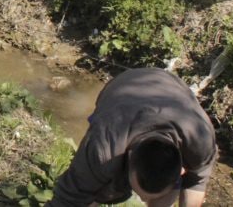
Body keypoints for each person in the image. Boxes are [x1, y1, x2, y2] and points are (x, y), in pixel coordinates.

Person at [47, 68, 217, 207]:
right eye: (140, 194)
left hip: (172, 89)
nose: (142, 200)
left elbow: (196, 182)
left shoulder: (201, 142)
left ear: (181, 169)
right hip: (127, 85)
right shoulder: (104, 147)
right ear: (129, 156)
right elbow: (67, 199)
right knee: (102, 189)